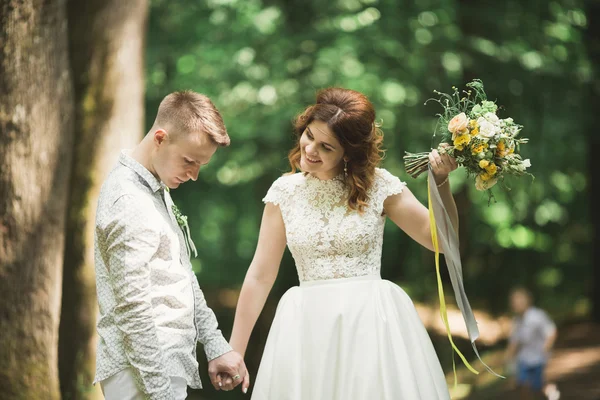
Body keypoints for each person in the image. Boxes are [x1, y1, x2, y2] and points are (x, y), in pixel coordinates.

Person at [229, 87, 458, 399]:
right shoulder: (284, 192)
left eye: (326, 147)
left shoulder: (380, 187)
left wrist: (441, 182)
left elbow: (442, 242)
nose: (310, 150)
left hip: (370, 327)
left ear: (348, 152)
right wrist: (234, 351)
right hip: (306, 328)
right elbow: (260, 275)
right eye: (309, 135)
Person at [93, 91, 249, 399]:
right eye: (189, 161)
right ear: (160, 138)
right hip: (140, 374)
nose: (193, 175)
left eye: (201, 165)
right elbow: (133, 309)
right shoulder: (129, 201)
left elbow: (181, 272)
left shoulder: (154, 187)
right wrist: (159, 393)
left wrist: (215, 344)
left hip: (161, 366)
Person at [506, 287, 557, 400]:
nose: (517, 304)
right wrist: (509, 359)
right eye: (514, 302)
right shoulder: (517, 321)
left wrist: (546, 347)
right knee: (522, 384)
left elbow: (551, 331)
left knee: (537, 387)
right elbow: (514, 342)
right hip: (523, 359)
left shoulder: (538, 316)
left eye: (519, 301)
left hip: (538, 358)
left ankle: (550, 390)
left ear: (527, 301)